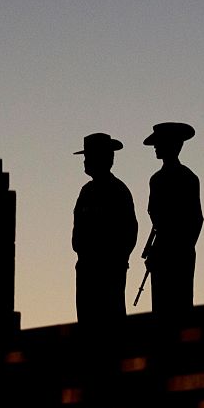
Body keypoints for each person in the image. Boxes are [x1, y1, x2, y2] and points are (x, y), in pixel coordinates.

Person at [72, 133, 138, 327]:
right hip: (86, 270)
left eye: (89, 156)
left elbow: (129, 232)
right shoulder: (86, 192)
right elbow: (77, 232)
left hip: (109, 271)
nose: (85, 161)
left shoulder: (118, 191)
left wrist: (116, 260)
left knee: (110, 323)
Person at [142, 122, 203, 316]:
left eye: (159, 143)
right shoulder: (159, 179)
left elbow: (195, 219)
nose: (155, 147)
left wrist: (178, 248)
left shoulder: (186, 178)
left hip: (175, 254)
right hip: (165, 254)